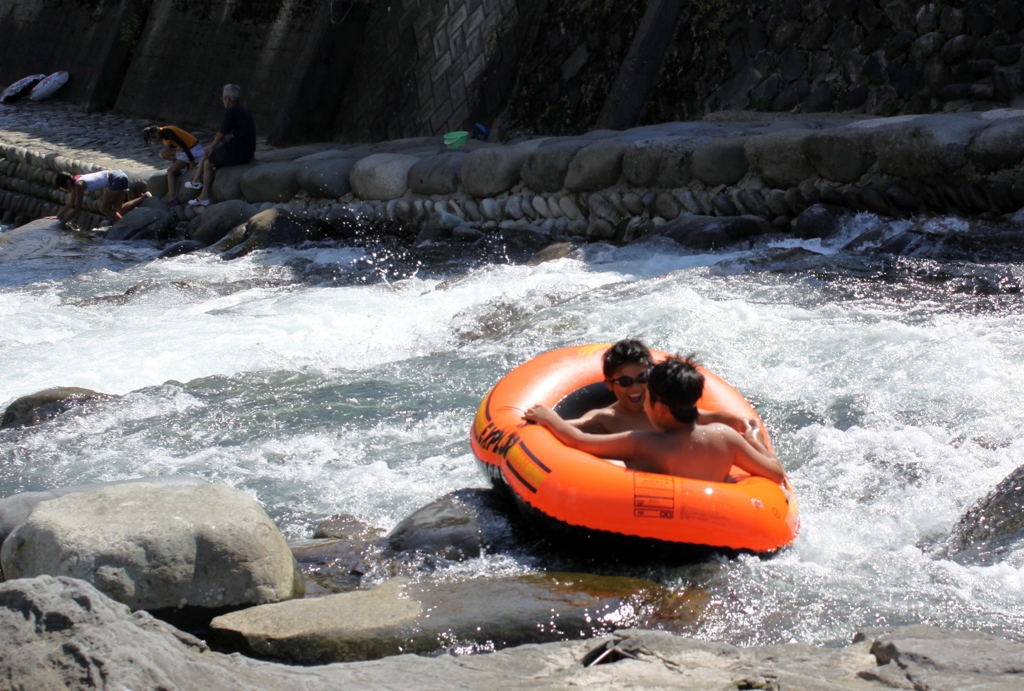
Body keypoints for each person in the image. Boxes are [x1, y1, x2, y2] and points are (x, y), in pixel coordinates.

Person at [525, 357, 786, 484]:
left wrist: (549, 417)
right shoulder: (725, 438)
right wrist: (755, 440)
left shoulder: (644, 443)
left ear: (659, 408)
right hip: (718, 520)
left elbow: (579, 441)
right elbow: (774, 473)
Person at [569, 339, 753, 435]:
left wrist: (749, 428)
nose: (635, 387)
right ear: (610, 385)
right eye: (625, 382)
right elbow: (570, 430)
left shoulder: (666, 410)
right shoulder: (604, 419)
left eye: (642, 378)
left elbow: (718, 418)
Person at [187, 84, 256, 207]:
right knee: (215, 151)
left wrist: (211, 146)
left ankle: (203, 196)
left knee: (208, 162)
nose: (222, 99)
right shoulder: (244, 110)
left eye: (223, 97)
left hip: (238, 151)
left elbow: (221, 134)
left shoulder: (231, 111)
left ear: (227, 99)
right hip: (248, 151)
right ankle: (196, 180)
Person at [53, 170, 147, 227]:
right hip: (120, 175)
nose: (64, 190)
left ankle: (126, 226)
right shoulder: (76, 181)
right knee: (119, 210)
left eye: (63, 188)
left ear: (68, 183)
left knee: (104, 208)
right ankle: (144, 197)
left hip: (115, 179)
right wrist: (57, 216)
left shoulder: (79, 185)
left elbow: (77, 208)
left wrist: (63, 223)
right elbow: (71, 203)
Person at [143, 125, 204, 204]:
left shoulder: (168, 132)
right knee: (163, 153)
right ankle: (181, 166)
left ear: (154, 135)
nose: (153, 143)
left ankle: (172, 199)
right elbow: (174, 146)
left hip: (192, 150)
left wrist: (192, 162)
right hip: (183, 151)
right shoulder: (162, 134)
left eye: (151, 141)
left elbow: (184, 145)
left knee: (170, 172)